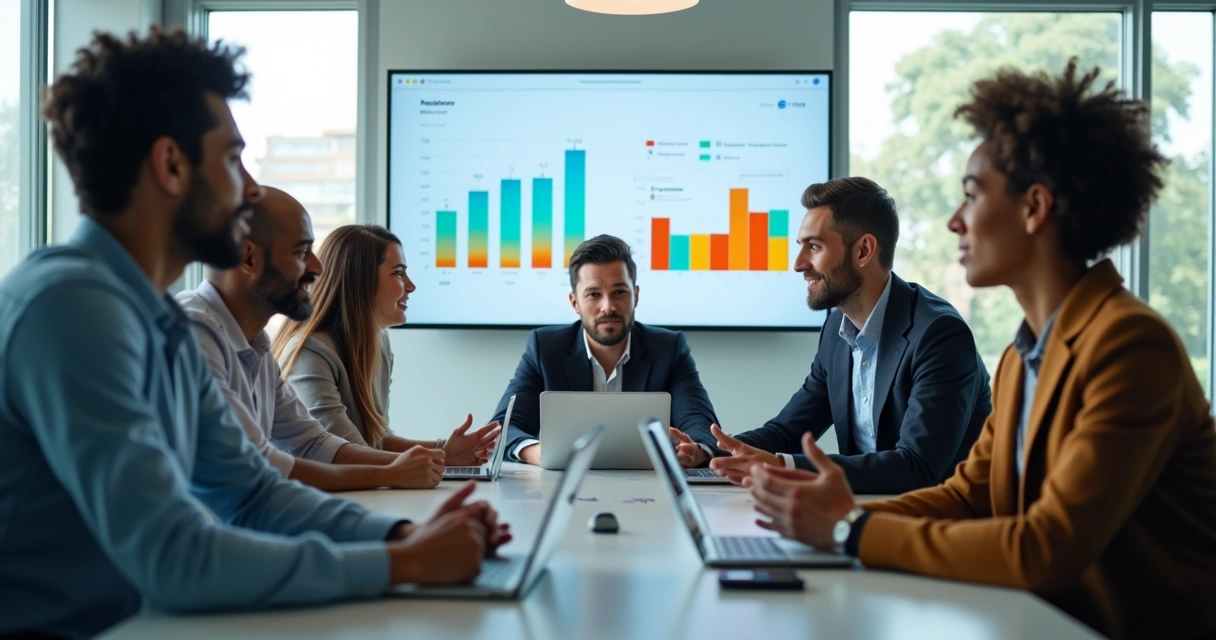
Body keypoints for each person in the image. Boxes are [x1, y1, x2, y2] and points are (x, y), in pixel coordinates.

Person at [0, 29, 508, 639]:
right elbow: (173, 557)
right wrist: (405, 562)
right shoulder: (71, 307)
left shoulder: (158, 321)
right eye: (232, 159)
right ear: (170, 165)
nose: (249, 189)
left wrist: (405, 534)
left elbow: (253, 494)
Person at [747, 60, 1216, 639]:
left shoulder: (1130, 346)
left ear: (1034, 208)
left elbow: (1045, 547)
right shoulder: (1023, 357)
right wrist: (818, 518)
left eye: (971, 196)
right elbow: (967, 498)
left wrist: (849, 529)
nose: (954, 222)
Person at [178, 188, 498, 491]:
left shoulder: (257, 346)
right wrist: (397, 472)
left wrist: (438, 455)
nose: (318, 268)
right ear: (249, 258)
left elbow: (315, 443)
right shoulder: (195, 333)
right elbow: (262, 470)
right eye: (301, 252)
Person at [697, 177, 992, 494]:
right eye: (801, 246)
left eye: (814, 246)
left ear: (864, 250)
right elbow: (787, 431)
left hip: (937, 518)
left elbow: (917, 467)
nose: (798, 264)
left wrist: (782, 466)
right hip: (864, 509)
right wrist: (707, 453)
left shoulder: (939, 335)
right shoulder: (836, 330)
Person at [490, 234, 721, 467]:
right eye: (593, 295)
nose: (608, 307)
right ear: (574, 302)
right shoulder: (545, 347)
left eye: (619, 292)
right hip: (564, 480)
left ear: (636, 295)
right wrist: (539, 452)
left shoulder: (669, 348)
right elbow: (502, 428)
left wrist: (695, 451)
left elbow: (700, 423)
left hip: (648, 482)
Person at [273, 224, 496, 459]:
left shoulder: (378, 342)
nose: (411, 286)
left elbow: (375, 439)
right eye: (398, 273)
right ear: (360, 280)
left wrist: (444, 450)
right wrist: (440, 458)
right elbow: (343, 454)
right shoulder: (310, 352)